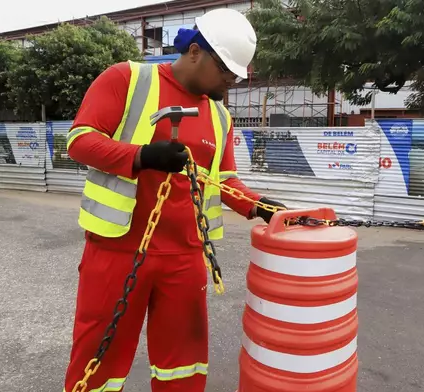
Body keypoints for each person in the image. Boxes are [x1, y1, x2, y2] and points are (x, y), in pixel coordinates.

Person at [62, 8, 286, 392]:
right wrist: (142, 156)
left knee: (184, 364)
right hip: (118, 249)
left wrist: (261, 206)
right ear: (196, 52)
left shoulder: (220, 115)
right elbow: (79, 140)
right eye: (225, 71)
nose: (229, 82)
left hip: (185, 257)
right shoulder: (127, 79)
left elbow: (224, 180)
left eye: (235, 75)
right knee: (100, 357)